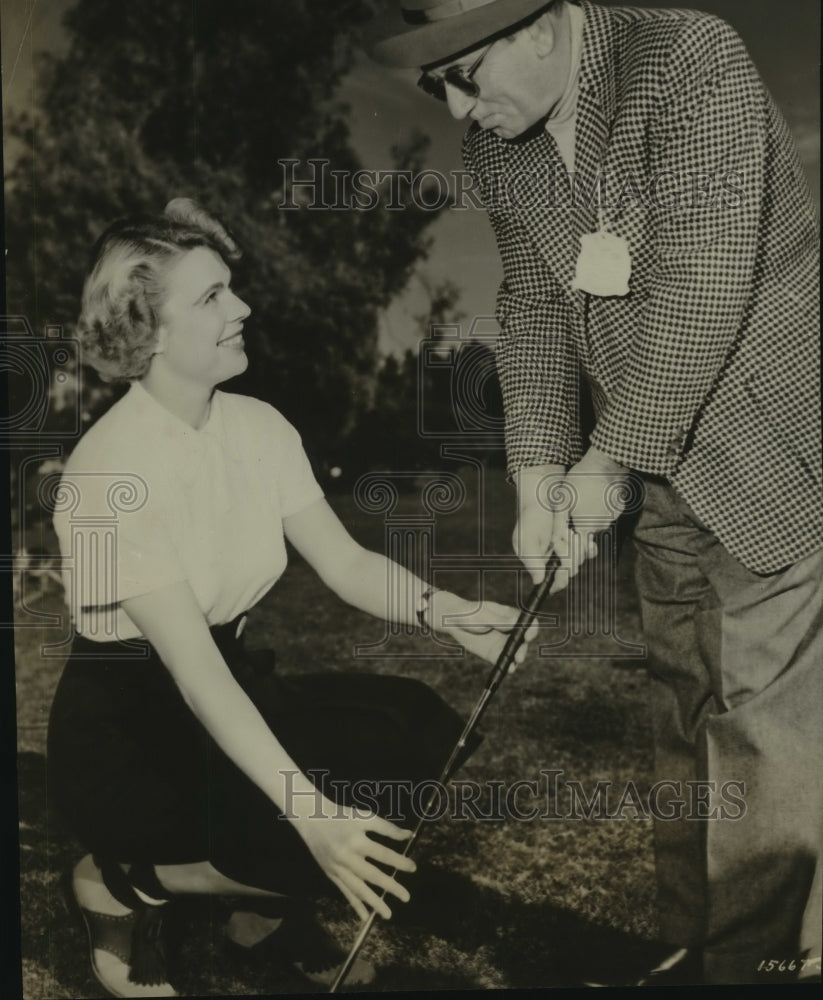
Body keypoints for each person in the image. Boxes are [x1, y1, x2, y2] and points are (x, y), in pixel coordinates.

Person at [367, 0, 822, 987]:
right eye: (434, 84)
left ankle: (760, 968)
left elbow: (702, 288)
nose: (455, 104)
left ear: (539, 23)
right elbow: (531, 307)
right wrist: (536, 477)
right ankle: (688, 942)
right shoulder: (502, 149)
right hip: (658, 464)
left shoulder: (688, 60)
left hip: (773, 449)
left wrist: (604, 463)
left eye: (466, 70)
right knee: (681, 713)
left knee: (766, 732)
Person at [48, 197, 535, 998]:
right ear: (150, 327)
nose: (242, 308)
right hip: (128, 724)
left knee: (410, 733)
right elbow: (194, 677)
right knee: (311, 825)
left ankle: (255, 917)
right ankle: (124, 882)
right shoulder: (108, 475)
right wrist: (310, 816)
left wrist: (444, 612)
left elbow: (343, 563)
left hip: (229, 678)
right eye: (211, 297)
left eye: (231, 288)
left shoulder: (257, 425)